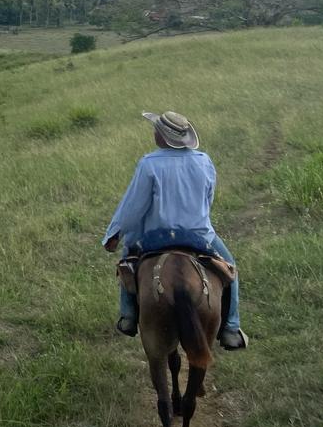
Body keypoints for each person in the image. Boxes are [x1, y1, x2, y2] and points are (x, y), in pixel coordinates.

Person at [102, 111, 248, 350]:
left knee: (127, 259)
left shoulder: (149, 164)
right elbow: (207, 199)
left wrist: (115, 234)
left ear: (161, 136)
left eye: (155, 130)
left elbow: (134, 207)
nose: (153, 132)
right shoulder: (203, 160)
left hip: (155, 236)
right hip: (199, 235)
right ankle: (231, 327)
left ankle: (128, 316)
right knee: (230, 268)